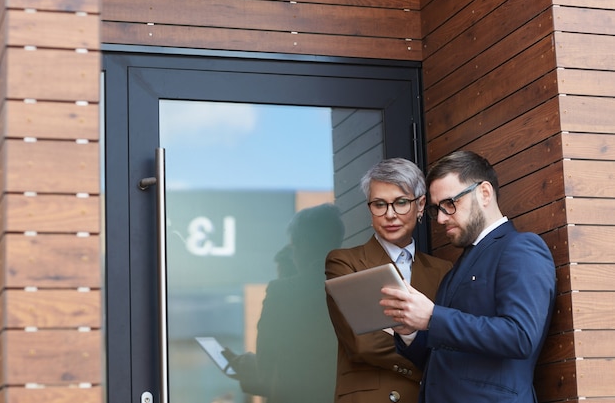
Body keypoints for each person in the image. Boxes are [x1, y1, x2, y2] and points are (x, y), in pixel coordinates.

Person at [379, 150, 556, 403]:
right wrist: (409, 331)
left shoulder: (521, 247)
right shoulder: (455, 270)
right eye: (436, 209)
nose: (440, 218)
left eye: (450, 204)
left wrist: (431, 317)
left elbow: (521, 336)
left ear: (484, 193)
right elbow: (440, 359)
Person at [325, 158, 452, 403]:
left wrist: (395, 330)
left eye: (401, 202)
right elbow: (363, 343)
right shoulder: (345, 263)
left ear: (421, 204)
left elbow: (451, 343)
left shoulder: (443, 270)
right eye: (379, 204)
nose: (390, 215)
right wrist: (433, 362)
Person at [228, 203, 345, 403]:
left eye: (294, 246)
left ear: (303, 245)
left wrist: (247, 365)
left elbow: (267, 366)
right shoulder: (356, 287)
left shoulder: (281, 292)